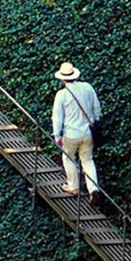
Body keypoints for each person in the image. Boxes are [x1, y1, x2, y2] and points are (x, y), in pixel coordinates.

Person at [51, 61, 102, 206]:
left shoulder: (62, 95)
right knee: (87, 160)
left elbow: (57, 117)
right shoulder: (88, 88)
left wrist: (57, 136)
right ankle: (93, 189)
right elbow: (96, 108)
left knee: (68, 158)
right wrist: (96, 122)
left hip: (71, 133)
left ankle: (73, 186)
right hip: (88, 132)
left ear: (62, 78)